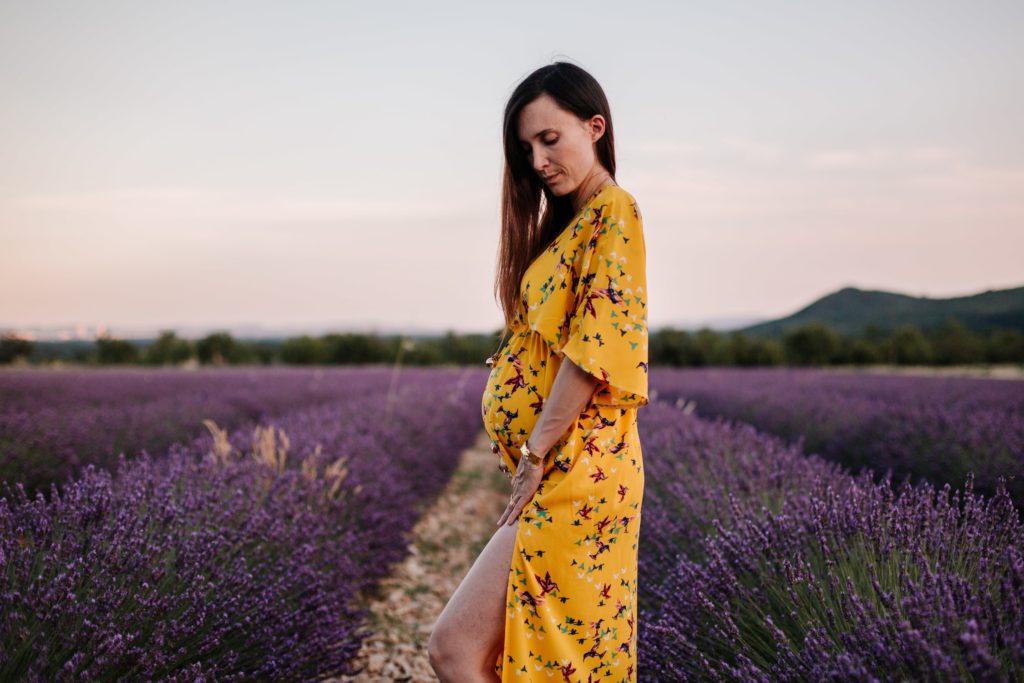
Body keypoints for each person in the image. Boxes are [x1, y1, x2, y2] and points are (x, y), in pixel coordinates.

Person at [428, 60, 649, 682]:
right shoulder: (572, 226)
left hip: (580, 469)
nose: (538, 160)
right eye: (526, 148)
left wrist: (533, 450)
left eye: (550, 139)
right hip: (565, 468)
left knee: (457, 649)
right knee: (549, 658)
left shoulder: (616, 212)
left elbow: (593, 351)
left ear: (595, 127)